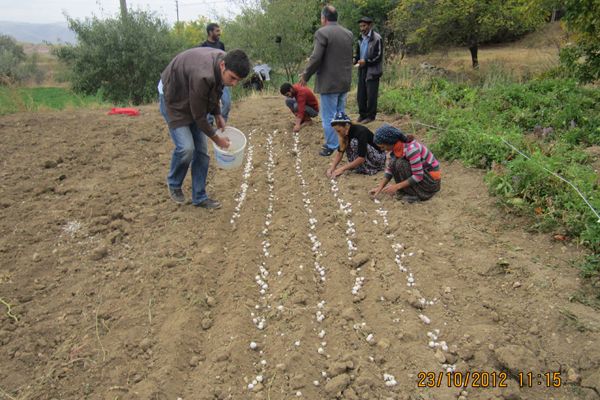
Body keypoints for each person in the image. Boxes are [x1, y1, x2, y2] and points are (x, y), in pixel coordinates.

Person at [159, 48, 250, 209]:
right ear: (223, 66)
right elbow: (199, 117)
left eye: (238, 81)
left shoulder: (224, 62)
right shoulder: (202, 75)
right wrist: (217, 139)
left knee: (201, 152)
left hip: (192, 92)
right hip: (173, 96)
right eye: (233, 78)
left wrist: (217, 114)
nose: (234, 84)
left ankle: (199, 197)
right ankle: (174, 183)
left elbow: (215, 90)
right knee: (187, 148)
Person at [299, 5, 353, 156]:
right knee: (341, 113)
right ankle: (344, 141)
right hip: (345, 81)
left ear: (324, 18)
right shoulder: (348, 33)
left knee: (329, 116)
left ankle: (332, 145)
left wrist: (305, 75)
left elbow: (316, 58)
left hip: (330, 83)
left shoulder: (322, 33)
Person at [369, 124, 441, 202]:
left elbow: (418, 176)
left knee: (400, 163)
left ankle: (416, 194)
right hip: (423, 177)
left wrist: (396, 187)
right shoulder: (397, 148)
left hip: (431, 183)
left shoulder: (411, 149)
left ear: (390, 142)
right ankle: (407, 191)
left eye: (383, 147)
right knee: (394, 162)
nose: (382, 149)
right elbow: (390, 169)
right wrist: (380, 188)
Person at [326, 112, 385, 177]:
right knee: (348, 143)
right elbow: (340, 152)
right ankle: (359, 167)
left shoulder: (360, 132)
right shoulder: (344, 135)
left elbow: (361, 158)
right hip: (364, 158)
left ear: (346, 125)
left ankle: (368, 168)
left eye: (339, 131)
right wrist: (332, 167)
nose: (338, 133)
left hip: (378, 158)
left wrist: (342, 169)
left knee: (354, 143)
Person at [199, 23, 231, 122]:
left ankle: (222, 122)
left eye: (219, 30)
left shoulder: (221, 45)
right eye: (217, 31)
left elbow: (224, 61)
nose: (219, 33)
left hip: (221, 78)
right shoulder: (203, 46)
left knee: (227, 102)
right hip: (209, 80)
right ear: (210, 32)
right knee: (209, 103)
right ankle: (210, 124)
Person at [354, 16, 383, 124]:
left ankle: (371, 116)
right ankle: (362, 115)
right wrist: (354, 59)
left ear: (370, 25)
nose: (362, 28)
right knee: (361, 94)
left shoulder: (377, 38)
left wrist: (366, 61)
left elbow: (378, 56)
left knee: (371, 95)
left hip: (373, 70)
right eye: (361, 26)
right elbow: (357, 54)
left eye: (364, 26)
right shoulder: (360, 38)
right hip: (361, 68)